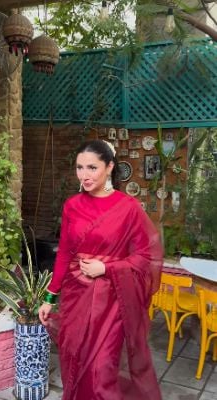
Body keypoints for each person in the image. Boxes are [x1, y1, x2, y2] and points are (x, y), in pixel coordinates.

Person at [38, 139, 163, 400]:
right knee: (76, 362)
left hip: (112, 301)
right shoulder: (72, 205)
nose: (84, 175)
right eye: (79, 168)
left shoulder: (128, 208)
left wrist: (107, 267)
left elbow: (145, 256)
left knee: (101, 370)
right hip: (76, 298)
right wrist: (50, 296)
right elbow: (63, 253)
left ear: (109, 167)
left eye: (92, 168)